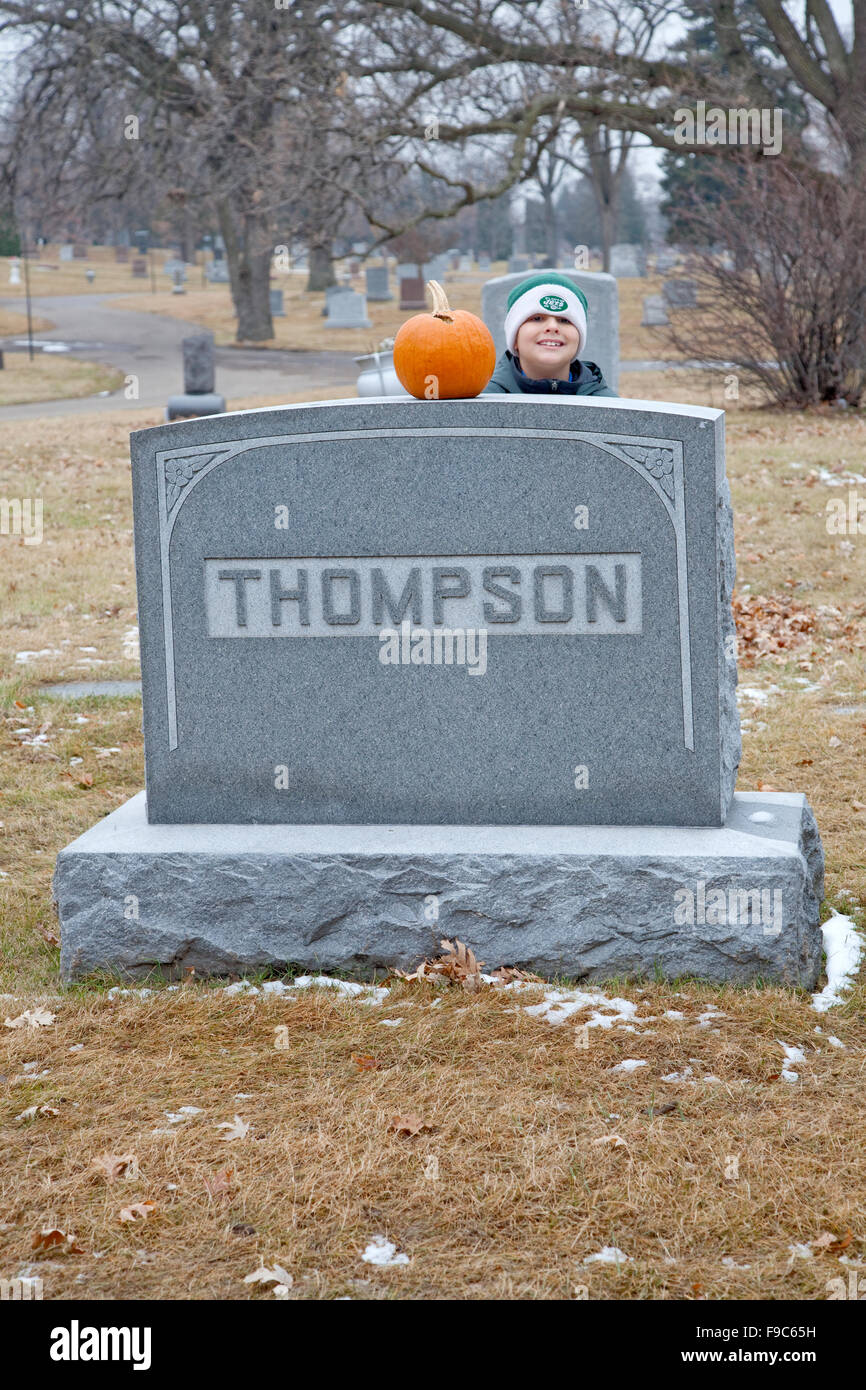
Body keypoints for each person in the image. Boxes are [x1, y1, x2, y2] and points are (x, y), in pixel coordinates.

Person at [483, 272, 615, 396]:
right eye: (537, 318)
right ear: (515, 338)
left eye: (564, 320)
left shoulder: (610, 407)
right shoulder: (485, 400)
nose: (552, 327)